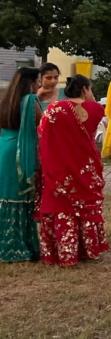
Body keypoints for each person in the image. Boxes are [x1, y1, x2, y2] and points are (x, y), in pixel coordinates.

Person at [38, 75, 109, 267]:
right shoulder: (95, 109)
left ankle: (60, 252)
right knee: (84, 206)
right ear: (85, 89)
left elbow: (42, 134)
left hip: (59, 168)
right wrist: (88, 98)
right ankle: (88, 249)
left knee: (61, 206)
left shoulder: (53, 109)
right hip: (85, 167)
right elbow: (91, 120)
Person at [0, 67, 42, 262]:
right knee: (19, 196)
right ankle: (17, 245)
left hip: (4, 148)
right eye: (38, 80)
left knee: (6, 196)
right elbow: (43, 124)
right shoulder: (30, 101)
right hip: (19, 151)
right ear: (31, 83)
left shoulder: (6, 99)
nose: (39, 84)